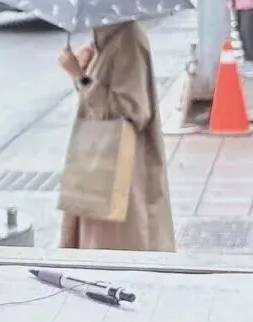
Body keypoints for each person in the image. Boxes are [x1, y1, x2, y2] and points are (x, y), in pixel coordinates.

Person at [59, 20, 175, 252]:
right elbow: (96, 98)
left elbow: (131, 110)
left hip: (121, 168)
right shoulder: (103, 37)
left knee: (120, 244)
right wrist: (83, 72)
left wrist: (80, 76)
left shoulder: (128, 39)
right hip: (95, 161)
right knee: (96, 240)